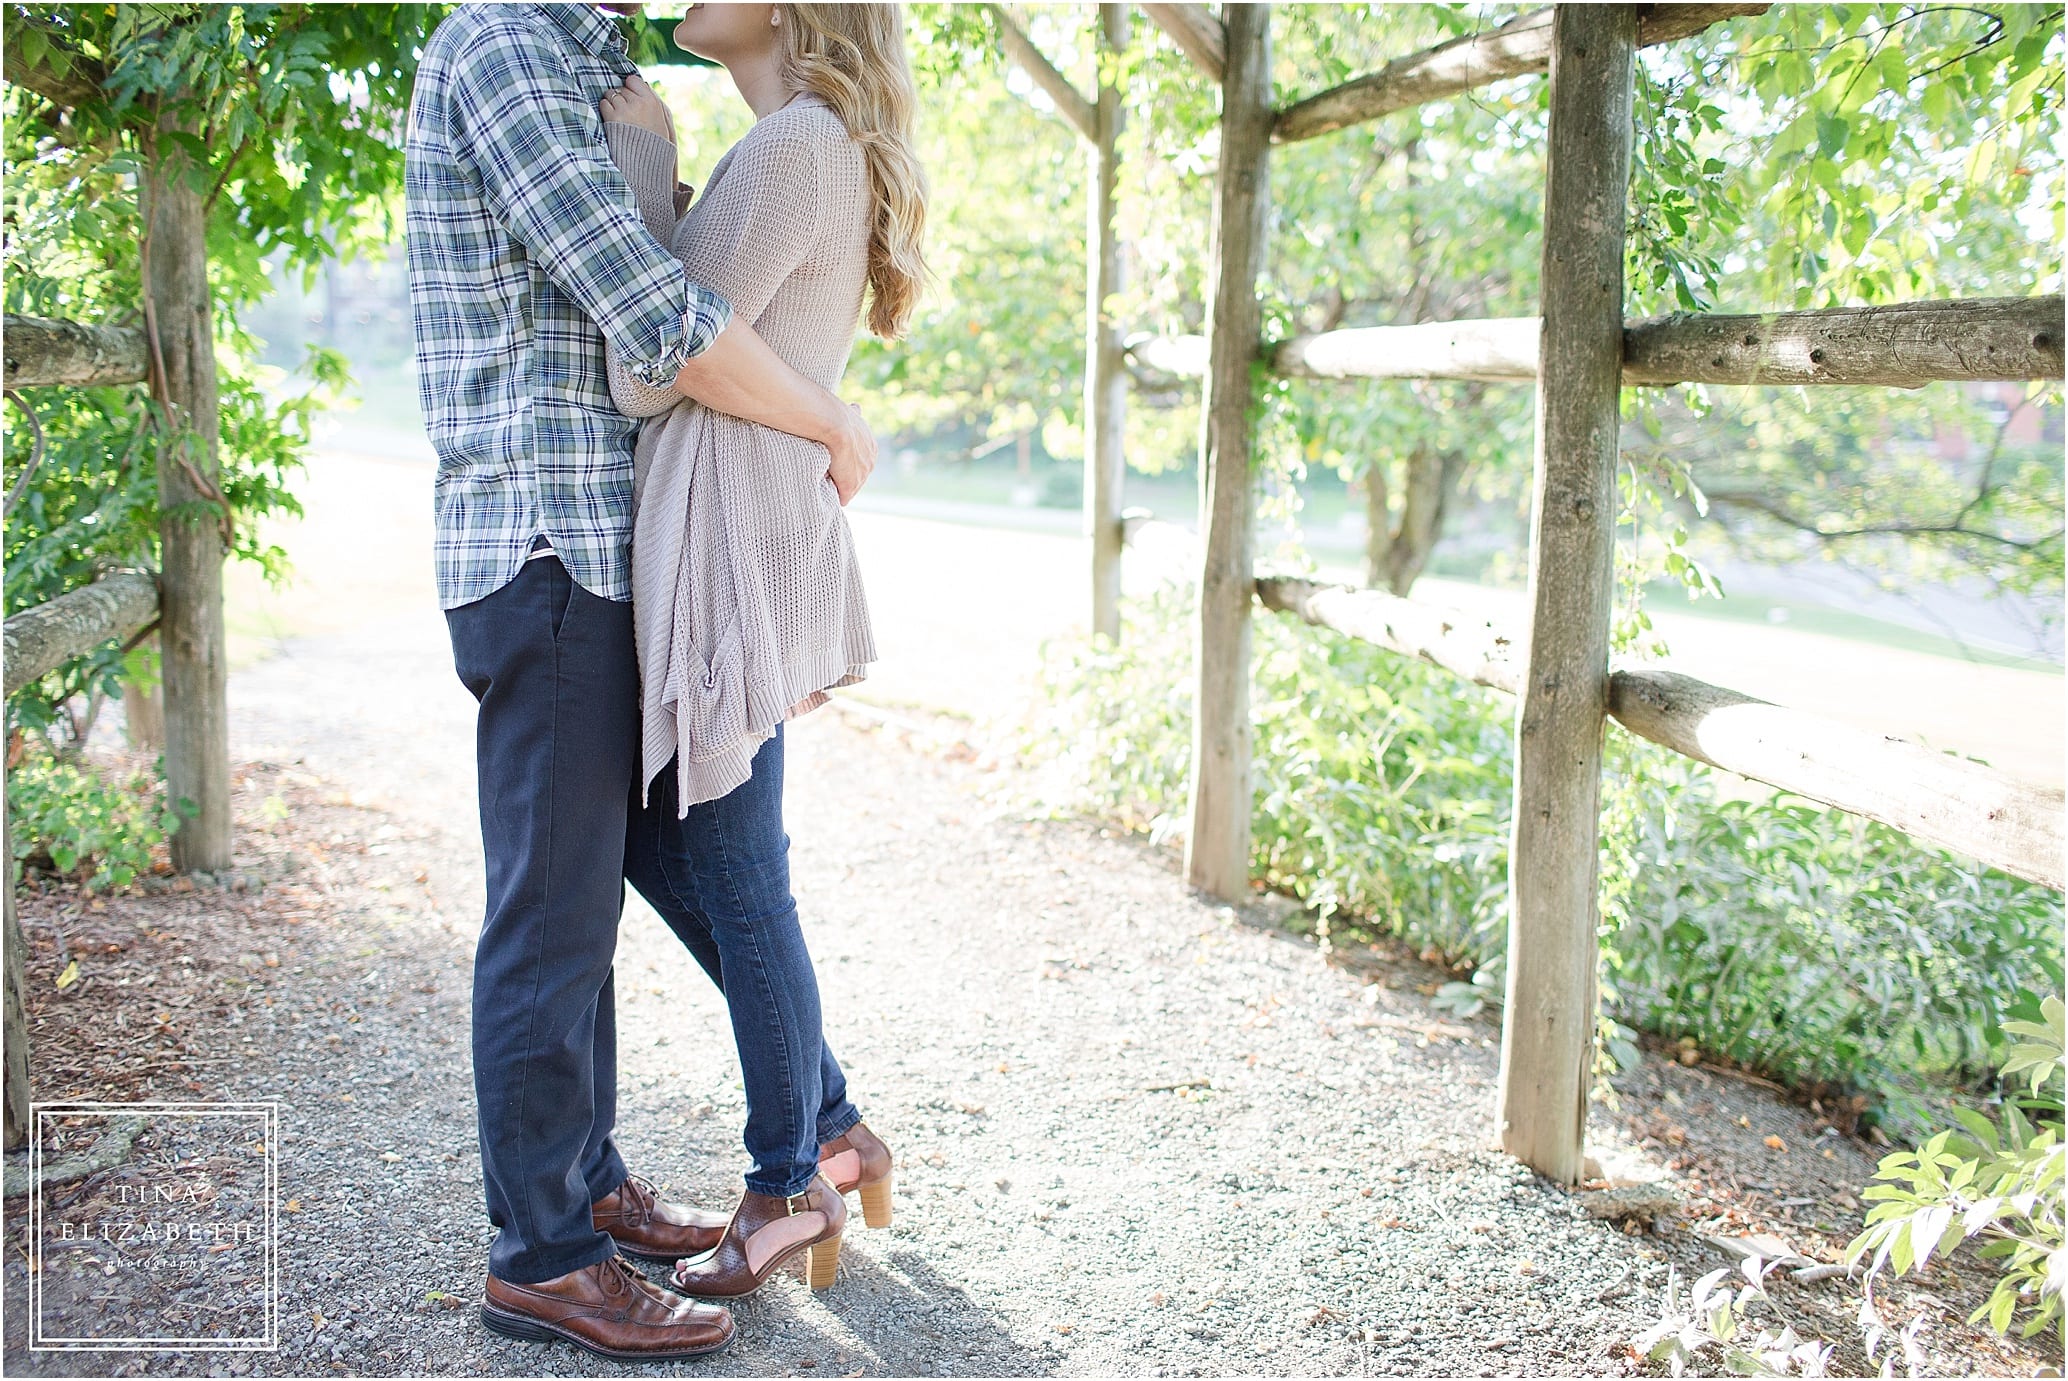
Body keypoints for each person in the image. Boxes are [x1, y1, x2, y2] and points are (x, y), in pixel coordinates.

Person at [404, 0, 876, 1362]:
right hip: (541, 544)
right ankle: (543, 1254)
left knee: (583, 905)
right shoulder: (500, 45)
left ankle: (589, 1181)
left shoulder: (595, 67)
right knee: (547, 921)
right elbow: (658, 318)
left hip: (608, 560)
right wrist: (830, 418)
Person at [593, 0, 923, 1300]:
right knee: (682, 847)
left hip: (732, 529)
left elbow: (643, 367)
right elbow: (699, 321)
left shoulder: (794, 142)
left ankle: (787, 1178)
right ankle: (832, 1123)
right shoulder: (797, 143)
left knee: (735, 864)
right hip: (737, 517)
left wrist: (632, 162)